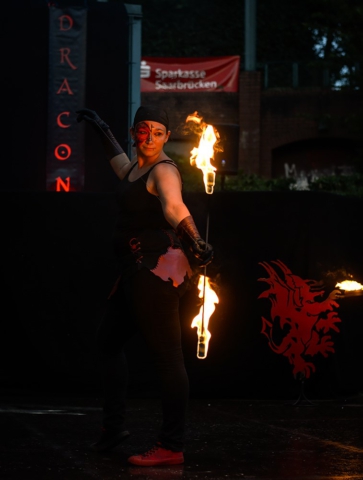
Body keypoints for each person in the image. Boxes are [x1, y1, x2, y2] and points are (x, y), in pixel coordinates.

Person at [76, 106, 213, 467]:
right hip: (135, 271)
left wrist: (195, 240)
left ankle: (172, 445)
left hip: (156, 272)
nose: (149, 138)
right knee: (108, 344)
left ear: (167, 137)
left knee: (168, 358)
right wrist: (101, 128)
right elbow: (120, 164)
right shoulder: (136, 168)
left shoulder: (164, 171)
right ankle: (114, 428)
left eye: (156, 132)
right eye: (142, 131)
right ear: (134, 132)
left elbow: (173, 206)